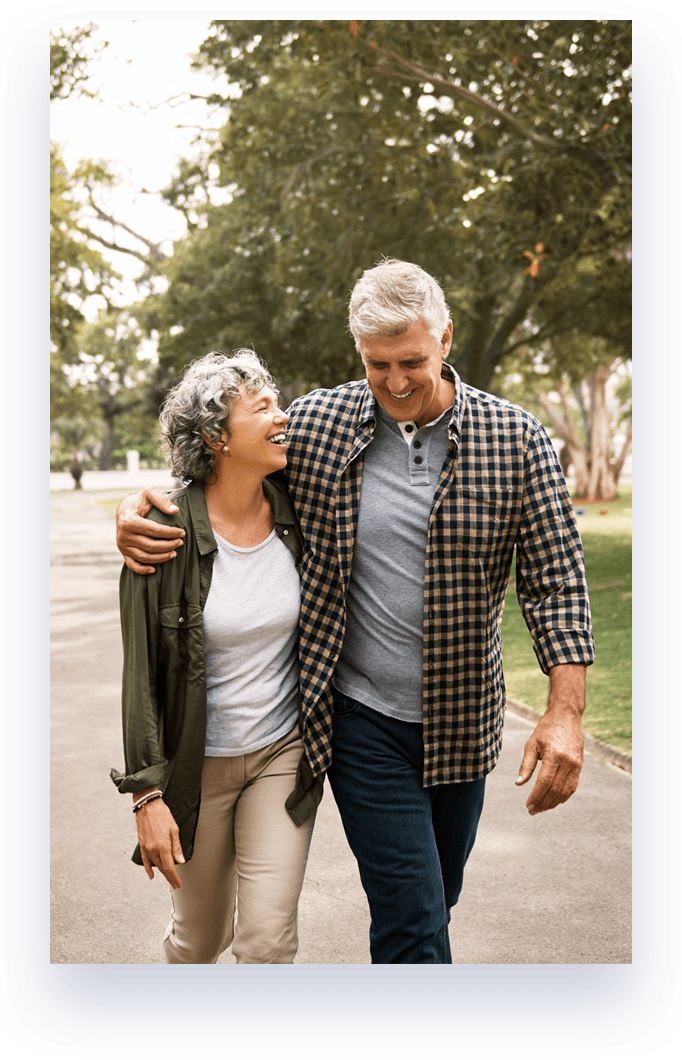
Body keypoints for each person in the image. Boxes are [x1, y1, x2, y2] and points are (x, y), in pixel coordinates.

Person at [115, 259, 595, 965]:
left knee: (436, 899)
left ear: (446, 338)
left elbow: (557, 581)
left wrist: (565, 711)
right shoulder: (317, 425)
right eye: (377, 365)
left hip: (464, 720)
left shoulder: (516, 440)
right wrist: (137, 509)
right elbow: (222, 467)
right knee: (412, 915)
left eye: (412, 362)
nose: (396, 382)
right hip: (361, 720)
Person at [110, 350, 322, 965]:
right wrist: (147, 797)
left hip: (283, 756)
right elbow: (139, 676)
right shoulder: (160, 531)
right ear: (215, 437)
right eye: (263, 410)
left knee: (266, 944)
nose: (283, 418)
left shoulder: (298, 508)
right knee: (200, 942)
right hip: (195, 768)